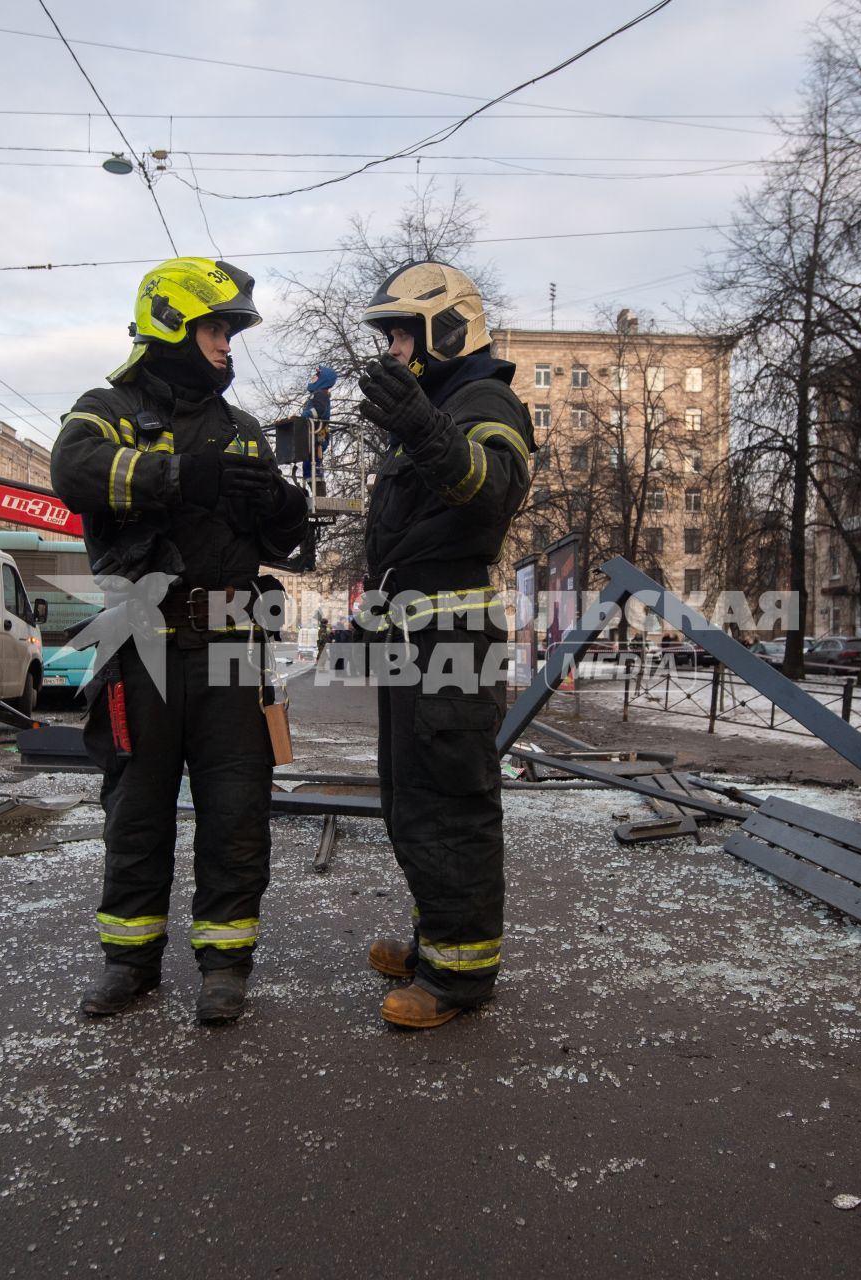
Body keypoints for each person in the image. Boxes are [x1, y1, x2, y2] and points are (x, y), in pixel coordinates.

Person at [51, 257, 309, 1026]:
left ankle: (225, 966)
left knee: (236, 811)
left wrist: (284, 507)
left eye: (229, 329)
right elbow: (74, 468)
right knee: (138, 808)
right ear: (170, 321)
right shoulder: (108, 406)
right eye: (216, 327)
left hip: (233, 645)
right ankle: (129, 962)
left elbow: (283, 539)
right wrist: (179, 476)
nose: (228, 344)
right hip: (141, 646)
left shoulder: (243, 430)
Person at [355, 260, 535, 1029]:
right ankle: (438, 940)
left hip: (451, 638)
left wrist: (420, 425)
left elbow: (491, 491)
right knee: (411, 799)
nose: (395, 348)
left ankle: (460, 978)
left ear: (448, 327)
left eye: (403, 331)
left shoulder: (484, 399)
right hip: (417, 636)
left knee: (449, 802)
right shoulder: (439, 405)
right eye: (390, 333)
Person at [300, 365, 335, 495]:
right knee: (309, 461)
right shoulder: (317, 394)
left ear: (323, 379)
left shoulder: (320, 395)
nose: (313, 377)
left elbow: (319, 411)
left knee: (314, 461)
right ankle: (310, 486)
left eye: (317, 376)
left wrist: (306, 415)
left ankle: (319, 490)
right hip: (312, 434)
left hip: (318, 434)